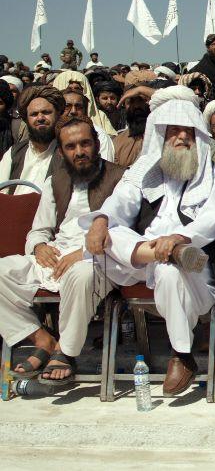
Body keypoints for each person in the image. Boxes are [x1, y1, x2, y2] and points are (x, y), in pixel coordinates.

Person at [82, 98, 215, 396]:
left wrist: (178, 240)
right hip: (140, 264)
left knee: (169, 269)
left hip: (197, 269)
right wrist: (100, 221)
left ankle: (182, 355)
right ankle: (154, 255)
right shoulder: (143, 175)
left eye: (188, 131)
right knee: (111, 231)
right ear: (160, 136)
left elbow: (209, 225)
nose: (181, 136)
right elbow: (117, 204)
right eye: (172, 130)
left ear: (199, 136)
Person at [0, 115, 124, 386]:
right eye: (71, 146)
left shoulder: (120, 178)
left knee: (81, 275)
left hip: (100, 259)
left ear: (96, 144)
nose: (79, 152)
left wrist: (84, 253)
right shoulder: (55, 180)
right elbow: (39, 229)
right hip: (56, 256)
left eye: (85, 144)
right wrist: (40, 246)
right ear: (61, 151)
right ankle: (40, 338)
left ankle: (65, 353)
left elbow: (127, 233)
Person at [0, 86, 63, 194]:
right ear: (26, 119)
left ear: (58, 115)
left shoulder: (66, 154)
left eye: (46, 112)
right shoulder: (14, 153)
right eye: (34, 114)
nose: (40, 118)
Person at [61, 89, 115, 163]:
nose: (73, 111)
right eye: (67, 106)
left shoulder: (99, 135)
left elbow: (106, 167)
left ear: (85, 111)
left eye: (79, 107)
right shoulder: (52, 133)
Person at [111, 85, 153, 168]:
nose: (136, 106)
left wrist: (142, 89)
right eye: (131, 101)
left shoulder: (164, 133)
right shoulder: (117, 142)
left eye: (141, 100)